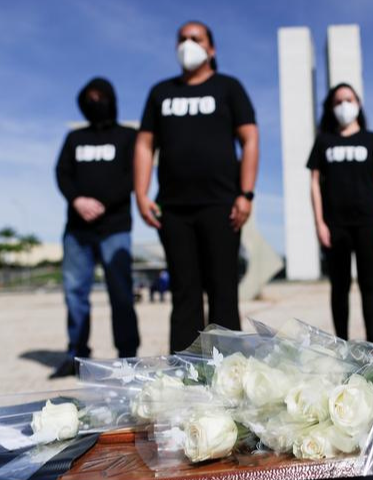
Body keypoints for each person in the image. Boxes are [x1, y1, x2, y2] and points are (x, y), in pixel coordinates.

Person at [135, 21, 259, 353]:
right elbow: (145, 144)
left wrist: (246, 194)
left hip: (221, 206)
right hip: (173, 209)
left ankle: (229, 373)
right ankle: (184, 375)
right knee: (184, 295)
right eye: (182, 39)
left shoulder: (228, 88)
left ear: (211, 48)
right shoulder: (161, 92)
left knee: (223, 293)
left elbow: (249, 138)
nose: (187, 44)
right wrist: (141, 194)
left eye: (196, 38)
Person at [53, 77, 140, 378]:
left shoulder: (128, 136)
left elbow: (134, 175)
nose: (95, 101)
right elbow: (62, 173)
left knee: (121, 293)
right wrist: (77, 200)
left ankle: (128, 356)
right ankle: (75, 354)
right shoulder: (74, 138)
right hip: (77, 229)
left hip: (115, 227)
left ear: (111, 98)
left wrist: (102, 203)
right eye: (89, 97)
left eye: (100, 96)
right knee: (75, 292)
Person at [308, 83, 373, 342]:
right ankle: (341, 343)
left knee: (369, 286)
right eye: (338, 101)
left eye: (349, 99)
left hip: (368, 221)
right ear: (331, 108)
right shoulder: (324, 141)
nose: (344, 105)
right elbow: (314, 183)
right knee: (339, 288)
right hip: (335, 225)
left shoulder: (372, 139)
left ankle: (372, 345)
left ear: (358, 103)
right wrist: (319, 223)